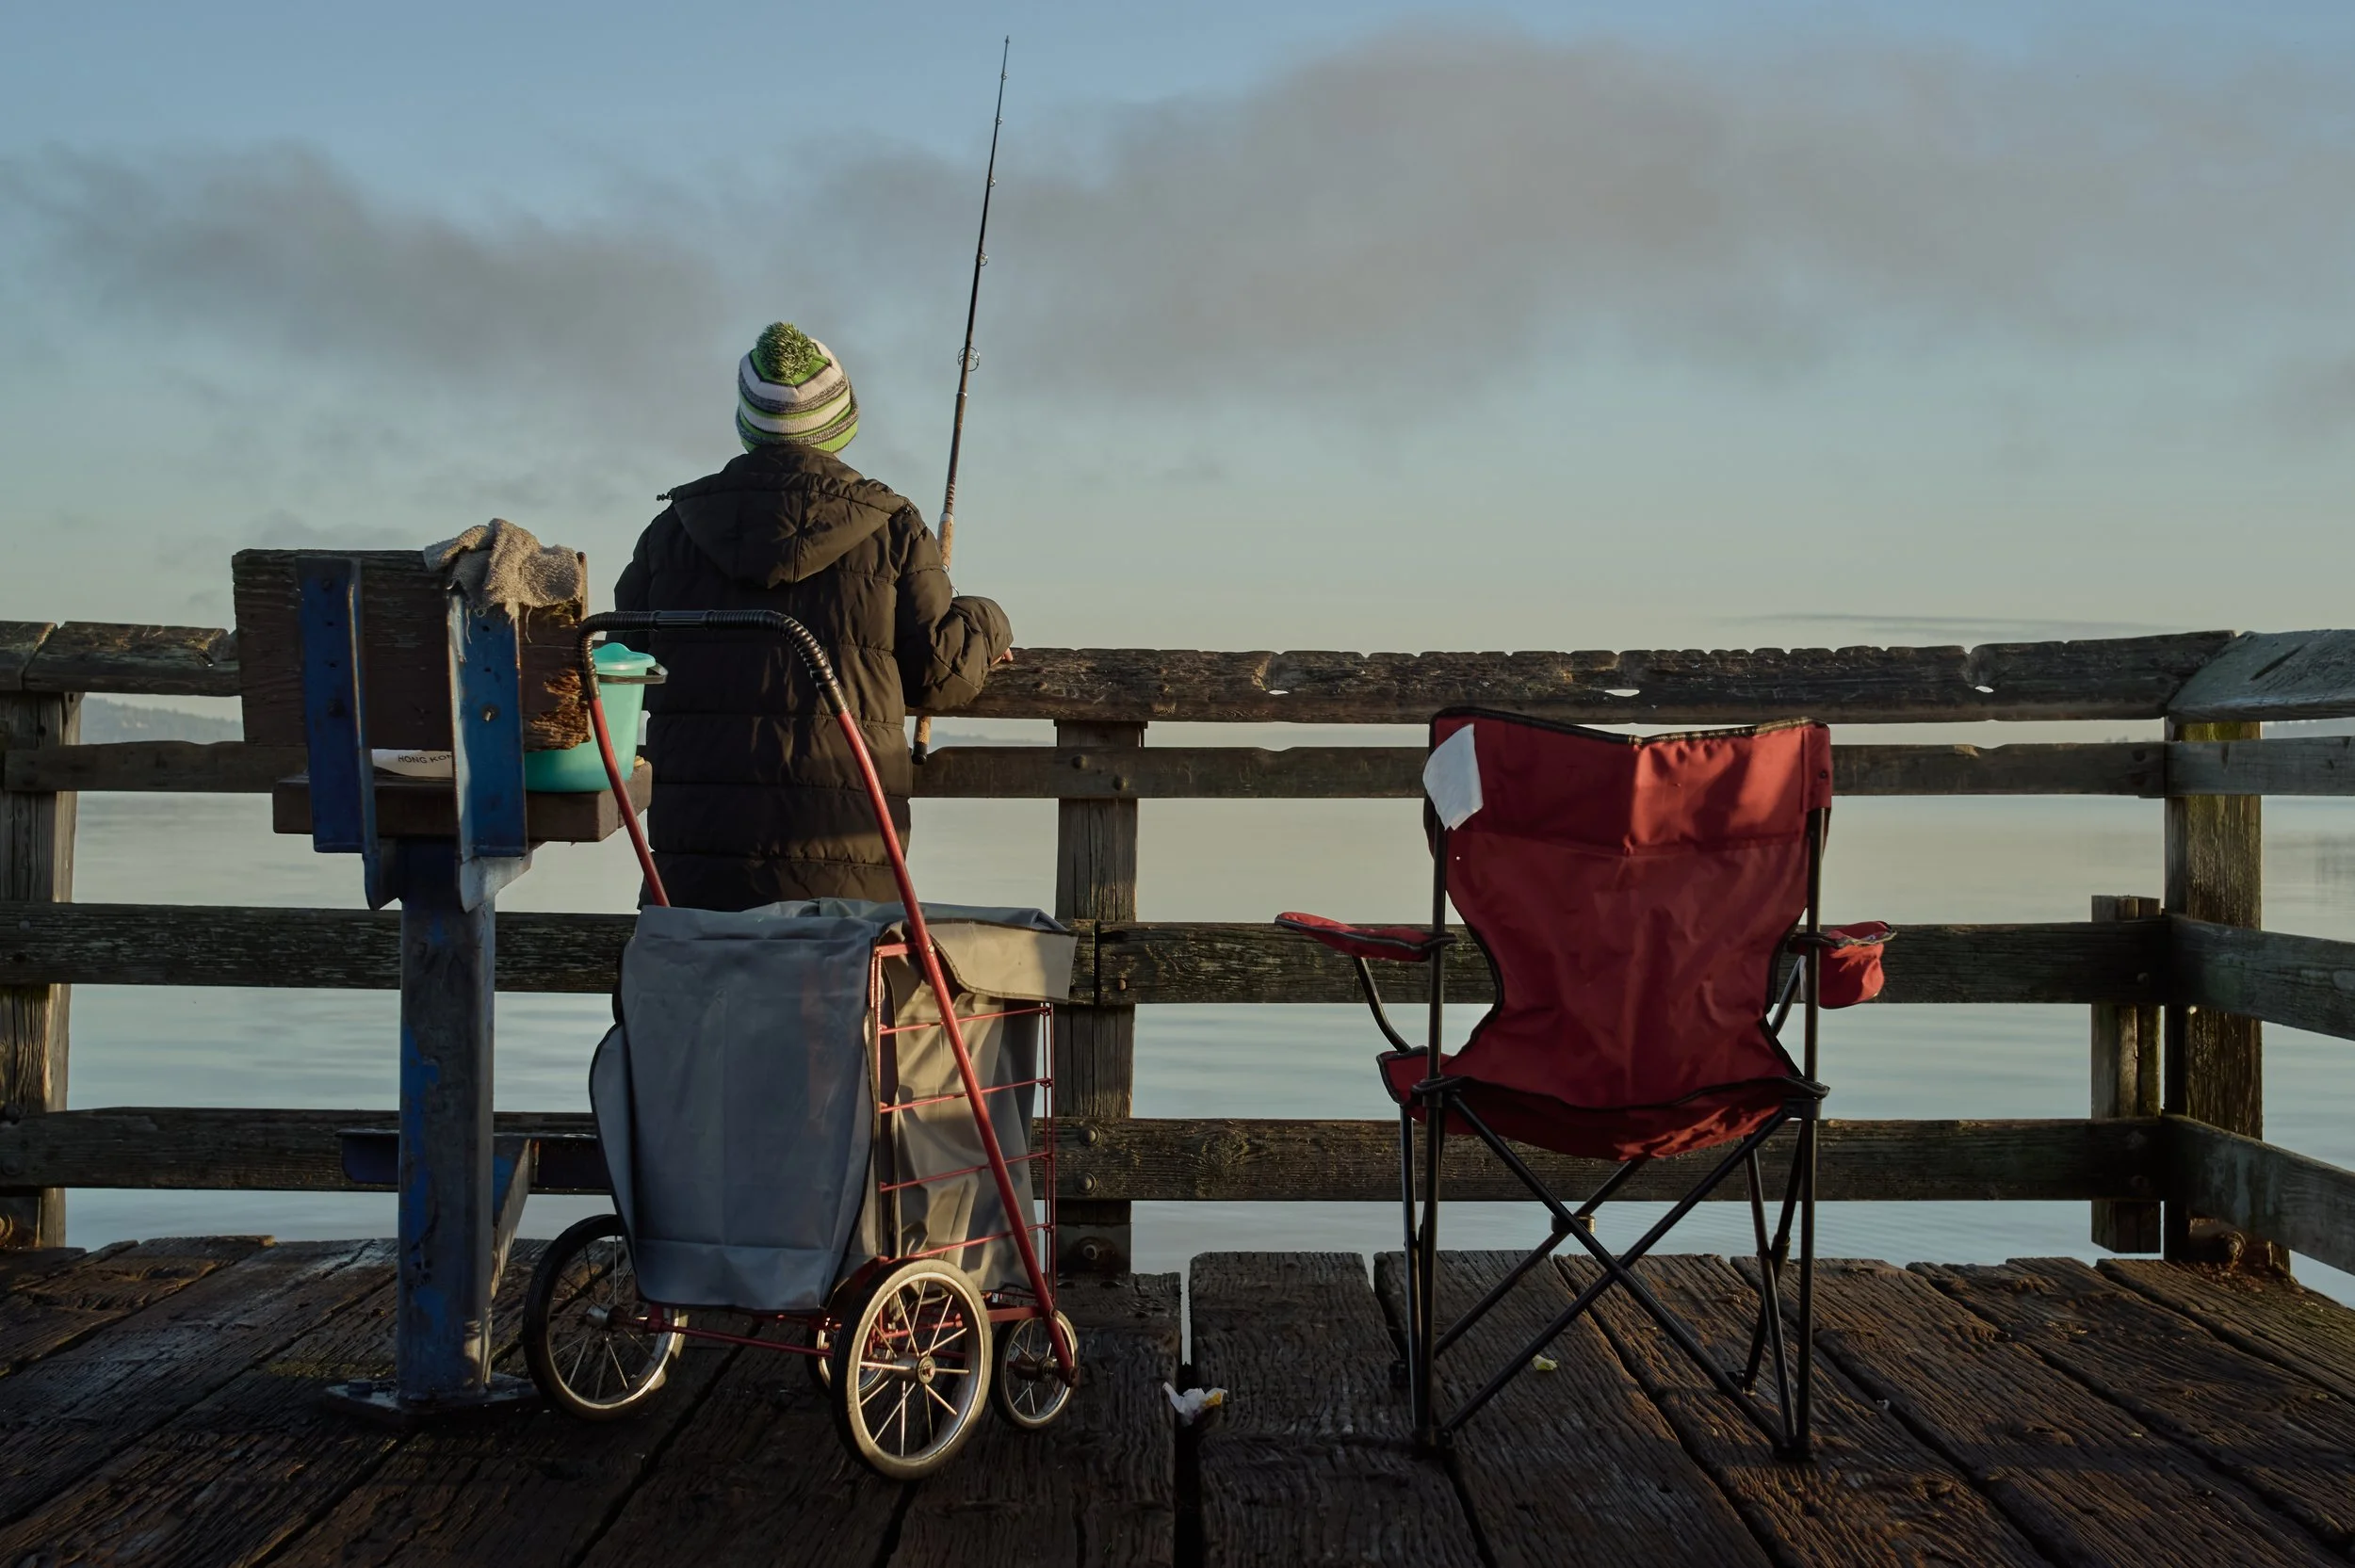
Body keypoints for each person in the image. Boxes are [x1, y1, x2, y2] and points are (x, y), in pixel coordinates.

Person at [614, 322, 1012, 910]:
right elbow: (940, 674)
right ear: (840, 423)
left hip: (694, 873)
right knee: (843, 972)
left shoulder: (672, 531)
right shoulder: (891, 528)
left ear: (748, 424)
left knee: (701, 970)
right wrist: (987, 618)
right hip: (847, 875)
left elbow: (624, 661)